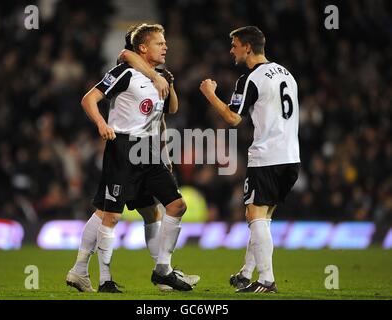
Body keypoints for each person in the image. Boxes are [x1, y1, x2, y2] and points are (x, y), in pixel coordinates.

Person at [67, 23, 195, 293]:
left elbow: (164, 115)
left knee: (171, 207)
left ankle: (163, 270)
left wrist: (164, 150)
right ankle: (94, 275)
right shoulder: (125, 71)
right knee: (108, 215)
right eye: (160, 43)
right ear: (143, 48)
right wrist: (102, 124)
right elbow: (89, 99)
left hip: (149, 151)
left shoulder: (158, 78)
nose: (166, 47)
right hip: (123, 148)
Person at [200, 26, 300, 293]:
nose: (231, 50)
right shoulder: (286, 74)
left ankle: (266, 280)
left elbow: (233, 118)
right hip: (291, 156)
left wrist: (210, 94)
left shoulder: (251, 78)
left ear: (247, 46)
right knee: (260, 218)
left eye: (234, 45)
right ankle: (246, 273)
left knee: (256, 217)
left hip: (267, 156)